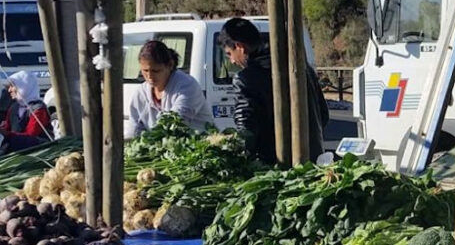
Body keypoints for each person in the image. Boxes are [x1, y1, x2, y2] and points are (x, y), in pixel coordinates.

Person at [221, 17, 329, 164]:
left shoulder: (246, 78)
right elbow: (323, 115)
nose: (232, 61)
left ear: (240, 46)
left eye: (229, 54)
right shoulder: (302, 68)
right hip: (313, 160)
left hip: (275, 165)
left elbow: (247, 131)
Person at [124, 40, 216, 139]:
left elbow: (176, 123)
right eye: (145, 71)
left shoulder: (187, 85)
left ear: (170, 65)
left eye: (156, 71)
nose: (149, 76)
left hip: (196, 145)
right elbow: (134, 129)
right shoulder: (141, 93)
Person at [1, 71, 52, 151]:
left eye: (12, 86)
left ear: (24, 86)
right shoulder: (14, 107)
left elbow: (31, 134)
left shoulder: (38, 109)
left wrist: (8, 134)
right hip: (17, 146)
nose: (9, 90)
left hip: (37, 148)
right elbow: (7, 128)